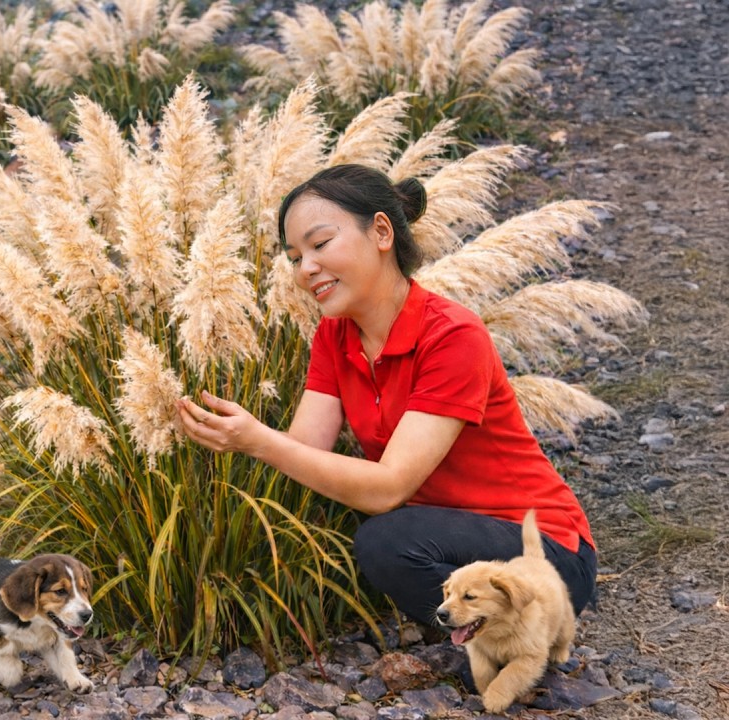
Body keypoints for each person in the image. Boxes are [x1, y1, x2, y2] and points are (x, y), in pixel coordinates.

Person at [174, 164, 596, 628]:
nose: (305, 268)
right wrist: (229, 433)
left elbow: (389, 488)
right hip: (445, 540)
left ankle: (513, 639)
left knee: (385, 541)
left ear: (380, 232)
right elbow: (305, 450)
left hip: (542, 552)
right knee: (370, 533)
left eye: (320, 244)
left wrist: (258, 441)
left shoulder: (452, 335)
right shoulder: (335, 336)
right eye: (294, 257)